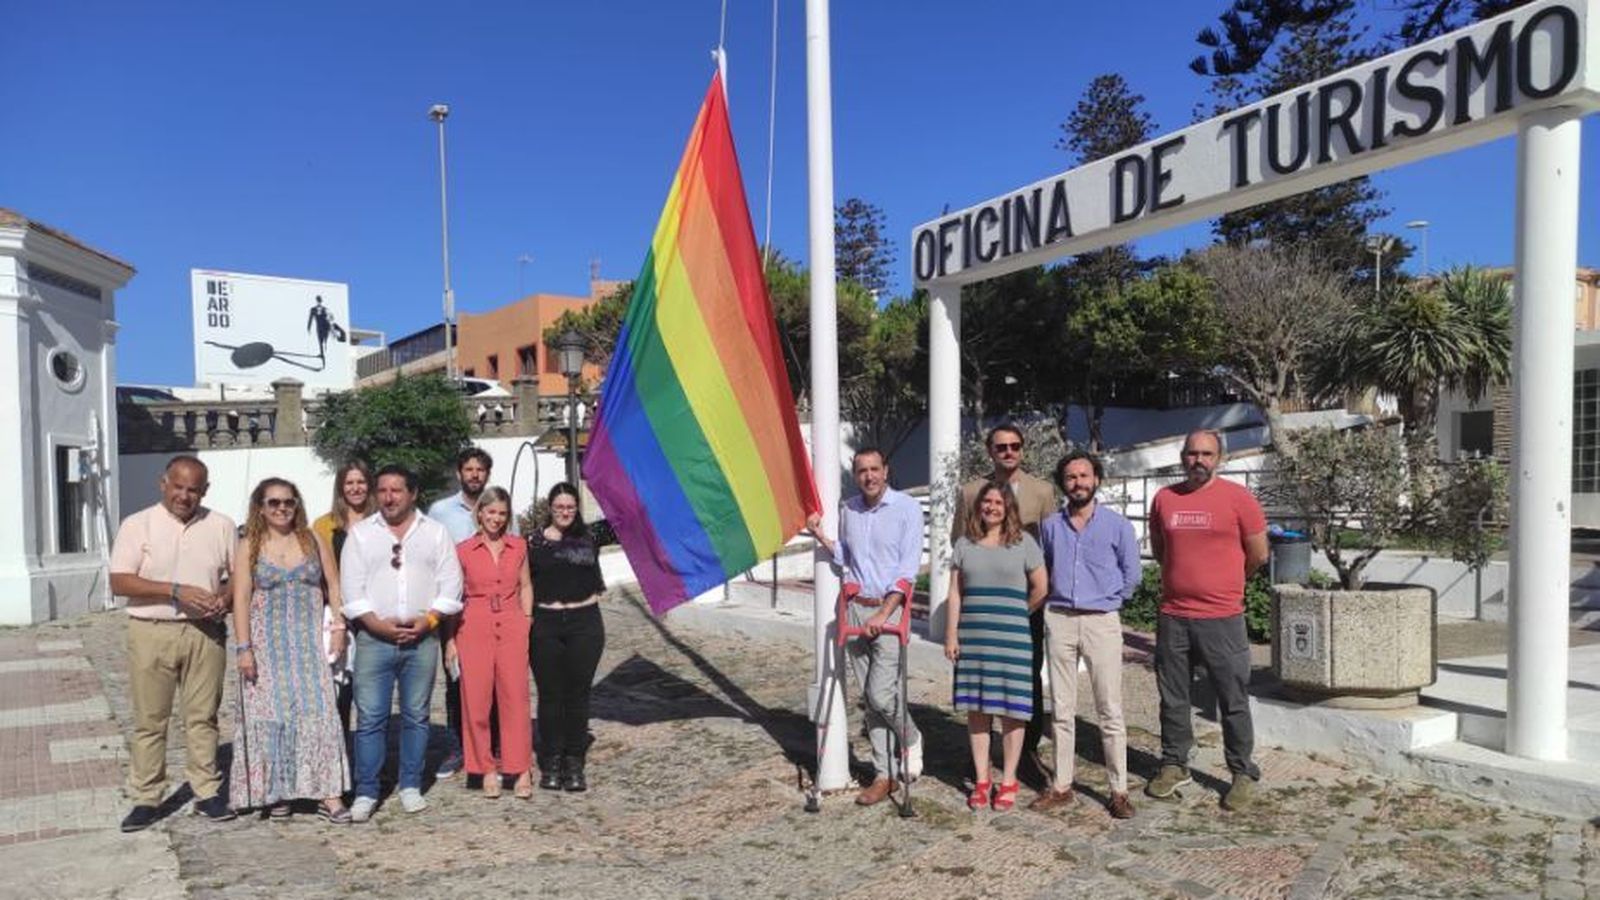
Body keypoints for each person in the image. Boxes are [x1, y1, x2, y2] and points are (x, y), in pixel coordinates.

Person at [109, 455, 238, 832]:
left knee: (203, 717)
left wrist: (224, 599)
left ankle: (207, 791)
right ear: (163, 483)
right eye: (178, 486)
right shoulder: (138, 524)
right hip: (151, 631)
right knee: (151, 720)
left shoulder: (221, 525)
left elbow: (237, 577)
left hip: (205, 633)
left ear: (205, 491)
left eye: (193, 489)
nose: (184, 495)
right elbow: (120, 582)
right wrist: (175, 590)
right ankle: (147, 797)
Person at [1145, 430, 1269, 811]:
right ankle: (1174, 763)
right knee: (1173, 698)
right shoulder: (1165, 499)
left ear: (1220, 458)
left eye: (1206, 454)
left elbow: (1258, 555)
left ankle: (1241, 772)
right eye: (1191, 453)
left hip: (1223, 617)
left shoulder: (1239, 499)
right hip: (1174, 616)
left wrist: (1226, 585)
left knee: (1232, 699)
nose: (1198, 460)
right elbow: (1161, 550)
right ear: (1182, 457)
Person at [340, 464, 464, 822]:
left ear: (412, 493)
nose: (388, 497)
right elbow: (352, 590)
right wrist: (378, 626)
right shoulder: (361, 534)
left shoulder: (436, 533)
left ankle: (410, 784)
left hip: (422, 640)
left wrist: (428, 622)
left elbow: (451, 586)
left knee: (416, 716)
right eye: (382, 490)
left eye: (396, 490)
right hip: (373, 640)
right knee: (371, 718)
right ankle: (367, 790)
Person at [229, 478, 352, 822]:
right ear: (260, 508)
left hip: (309, 645)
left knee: (320, 714)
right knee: (272, 717)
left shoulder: (311, 538)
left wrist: (339, 627)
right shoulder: (249, 545)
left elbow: (334, 583)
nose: (282, 508)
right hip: (266, 646)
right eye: (274, 503)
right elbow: (240, 598)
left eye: (288, 502)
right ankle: (277, 792)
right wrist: (243, 648)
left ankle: (329, 793)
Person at [812, 448, 926, 806]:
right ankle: (883, 774)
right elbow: (847, 556)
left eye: (875, 469)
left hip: (889, 612)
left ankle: (910, 737)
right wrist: (821, 536)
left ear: (886, 471)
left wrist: (884, 613)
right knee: (871, 702)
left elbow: (908, 570)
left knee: (881, 694)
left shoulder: (907, 509)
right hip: (857, 612)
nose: (869, 476)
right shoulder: (849, 509)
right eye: (862, 470)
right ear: (855, 473)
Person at [1029, 451, 1140, 819]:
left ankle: (1118, 790)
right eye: (1071, 477)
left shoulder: (1118, 526)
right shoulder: (1050, 526)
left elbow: (1132, 575)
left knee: (1110, 709)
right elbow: (1042, 568)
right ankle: (1062, 785)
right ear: (1063, 483)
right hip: (1059, 619)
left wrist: (1109, 601)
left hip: (1101, 622)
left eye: (1084, 476)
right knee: (1061, 708)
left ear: (1097, 480)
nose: (1078, 483)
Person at [952, 424, 1058, 784]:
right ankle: (978, 759)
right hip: (981, 612)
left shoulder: (1042, 491)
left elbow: (1050, 547)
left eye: (1015, 446)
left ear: (1023, 450)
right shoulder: (969, 492)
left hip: (1024, 604)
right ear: (990, 450)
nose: (1008, 452)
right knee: (979, 681)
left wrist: (1027, 605)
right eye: (1001, 447)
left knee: (1027, 679)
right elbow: (959, 545)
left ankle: (1026, 751)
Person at [943, 483, 1048, 812]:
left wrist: (1018, 613)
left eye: (998, 502)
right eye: (986, 501)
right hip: (973, 640)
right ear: (978, 507)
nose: (991, 507)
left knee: (1013, 712)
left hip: (1013, 640)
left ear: (1009, 507)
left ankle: (1009, 779)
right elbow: (956, 593)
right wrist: (951, 634)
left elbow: (1041, 587)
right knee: (978, 711)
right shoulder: (964, 544)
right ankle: (982, 778)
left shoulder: (1024, 543)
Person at [427, 447, 513, 779]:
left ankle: (493, 746)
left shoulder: (500, 507)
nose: (474, 474)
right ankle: (458, 748)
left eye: (480, 469)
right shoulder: (440, 511)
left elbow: (513, 552)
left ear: (487, 474)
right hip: (455, 608)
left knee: (493, 680)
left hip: (493, 608)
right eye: (469, 469)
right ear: (459, 472)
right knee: (455, 680)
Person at [446, 487, 534, 800]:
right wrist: (450, 640)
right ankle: (485, 769)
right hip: (474, 624)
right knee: (476, 701)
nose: (495, 518)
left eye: (501, 513)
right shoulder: (463, 550)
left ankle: (520, 768)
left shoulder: (518, 546)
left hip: (511, 623)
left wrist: (526, 621)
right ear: (479, 513)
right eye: (490, 512)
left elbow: (525, 585)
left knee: (515, 698)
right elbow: (454, 597)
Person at [526, 482, 615, 792]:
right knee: (550, 695)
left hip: (585, 624)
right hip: (545, 624)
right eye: (559, 507)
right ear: (550, 508)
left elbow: (630, 520)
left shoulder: (591, 536)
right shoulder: (532, 542)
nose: (565, 512)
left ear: (577, 508)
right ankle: (551, 760)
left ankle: (574, 760)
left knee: (577, 695)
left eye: (570, 507)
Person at [312, 459, 373, 730]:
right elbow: (320, 574)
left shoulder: (381, 521)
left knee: (370, 692)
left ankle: (372, 762)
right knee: (340, 692)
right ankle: (342, 758)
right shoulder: (324, 525)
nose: (355, 488)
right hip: (339, 615)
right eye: (349, 482)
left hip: (374, 616)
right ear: (340, 487)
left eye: (361, 482)